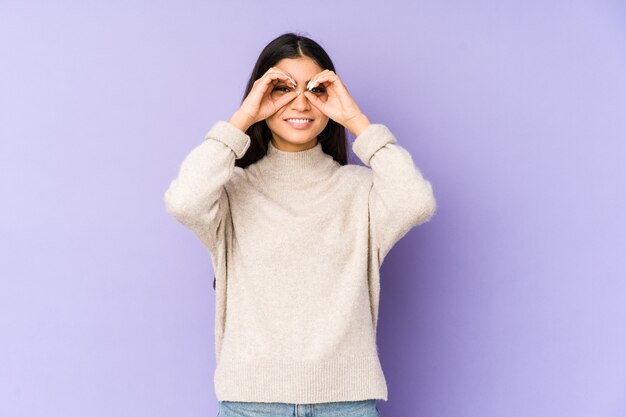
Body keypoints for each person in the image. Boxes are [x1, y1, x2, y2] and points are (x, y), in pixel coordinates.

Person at [164, 32, 437, 417]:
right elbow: (184, 200)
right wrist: (242, 118)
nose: (301, 103)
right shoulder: (232, 191)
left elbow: (416, 202)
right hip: (251, 403)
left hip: (346, 404)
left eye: (316, 90)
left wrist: (357, 120)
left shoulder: (360, 190)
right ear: (260, 95)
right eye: (283, 89)